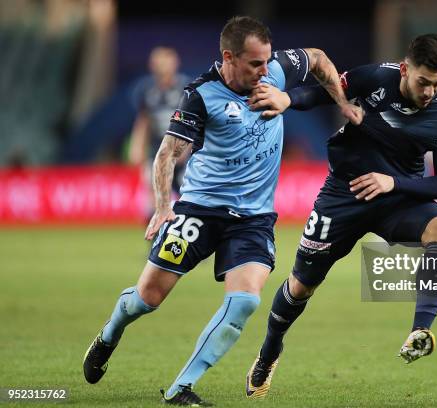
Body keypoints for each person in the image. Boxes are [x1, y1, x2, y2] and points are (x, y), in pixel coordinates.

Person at [82, 16, 361, 407]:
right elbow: (167, 153)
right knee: (147, 298)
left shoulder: (276, 71)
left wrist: (343, 102)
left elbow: (317, 58)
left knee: (245, 301)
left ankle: (182, 388)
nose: (265, 72)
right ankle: (110, 332)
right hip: (199, 211)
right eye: (254, 64)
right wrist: (164, 206)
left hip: (254, 218)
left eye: (267, 62)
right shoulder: (200, 95)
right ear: (228, 57)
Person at [244, 33, 437, 398]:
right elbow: (324, 91)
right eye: (423, 82)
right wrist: (287, 98)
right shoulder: (376, 78)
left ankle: (419, 330)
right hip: (343, 194)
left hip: (397, 196)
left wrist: (392, 183)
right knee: (301, 285)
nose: (429, 92)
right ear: (406, 70)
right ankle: (269, 351)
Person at [129, 47, 190, 214]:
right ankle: (156, 236)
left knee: (188, 195)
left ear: (175, 63)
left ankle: (188, 233)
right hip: (156, 152)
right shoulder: (146, 90)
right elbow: (143, 121)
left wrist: (185, 150)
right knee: (154, 194)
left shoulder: (186, 88)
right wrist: (137, 147)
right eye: (157, 62)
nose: (161, 66)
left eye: (165, 62)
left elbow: (196, 123)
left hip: (183, 155)